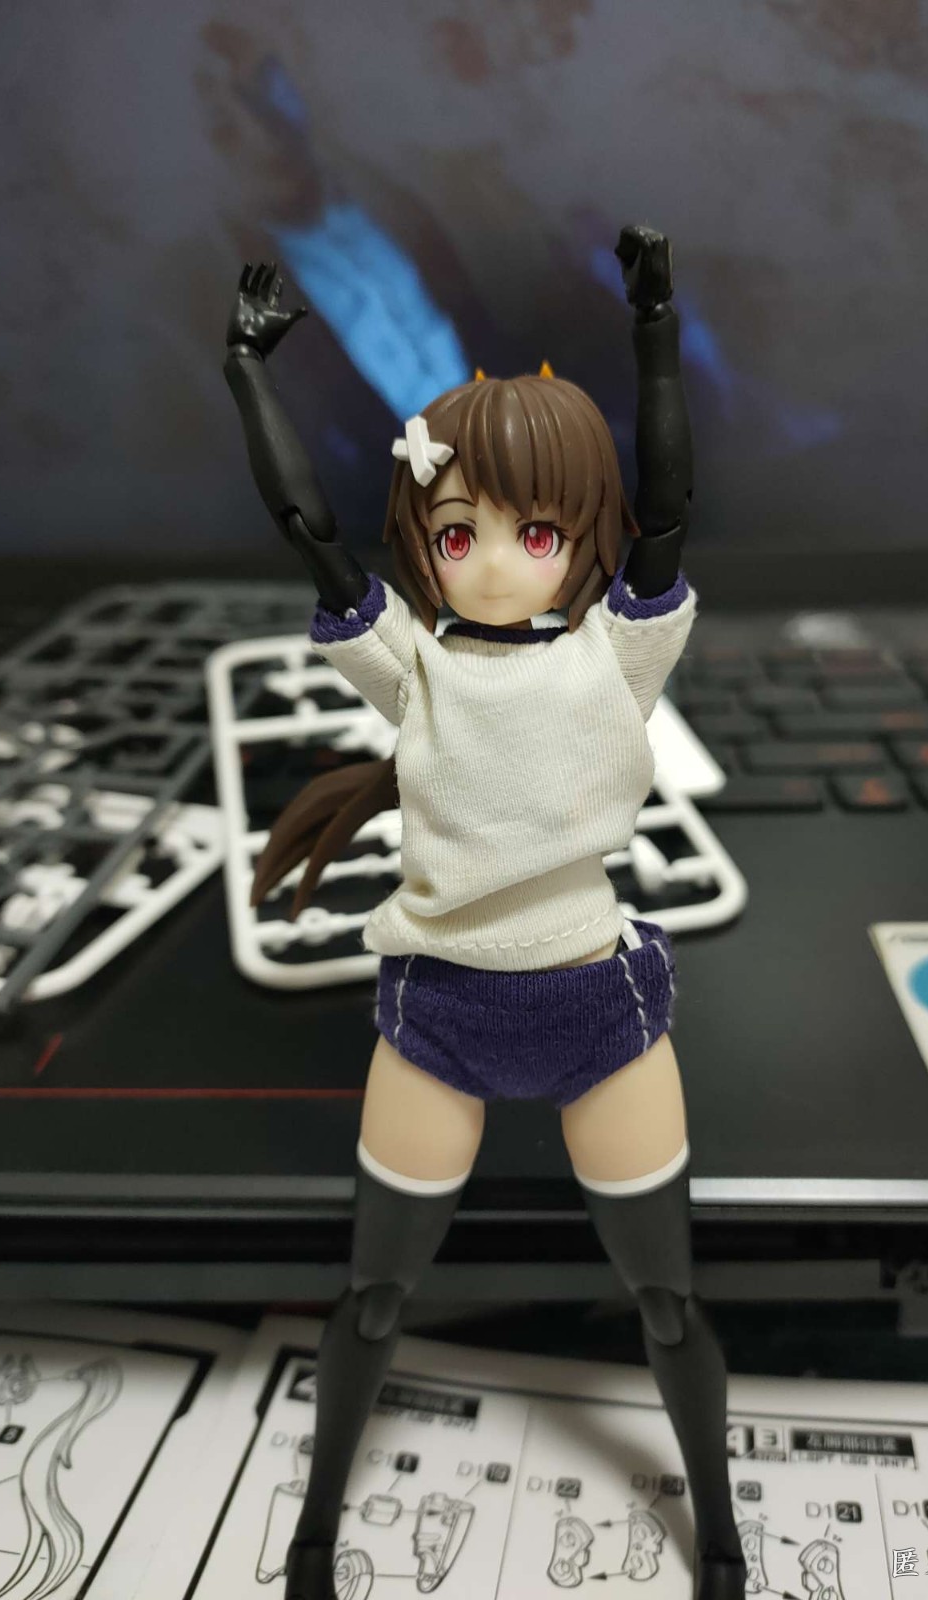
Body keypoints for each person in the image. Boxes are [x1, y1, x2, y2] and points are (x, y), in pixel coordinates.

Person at [224, 226, 746, 1600]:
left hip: (595, 1006)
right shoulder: (415, 667)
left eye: (539, 531)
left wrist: (655, 324)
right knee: (374, 1294)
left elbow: (671, 506)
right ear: (427, 542)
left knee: (667, 1296)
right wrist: (248, 377)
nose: (499, 562)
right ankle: (318, 1528)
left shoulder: (619, 649)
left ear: (579, 538)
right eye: (460, 533)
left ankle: (723, 1534)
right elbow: (310, 535)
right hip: (440, 1010)